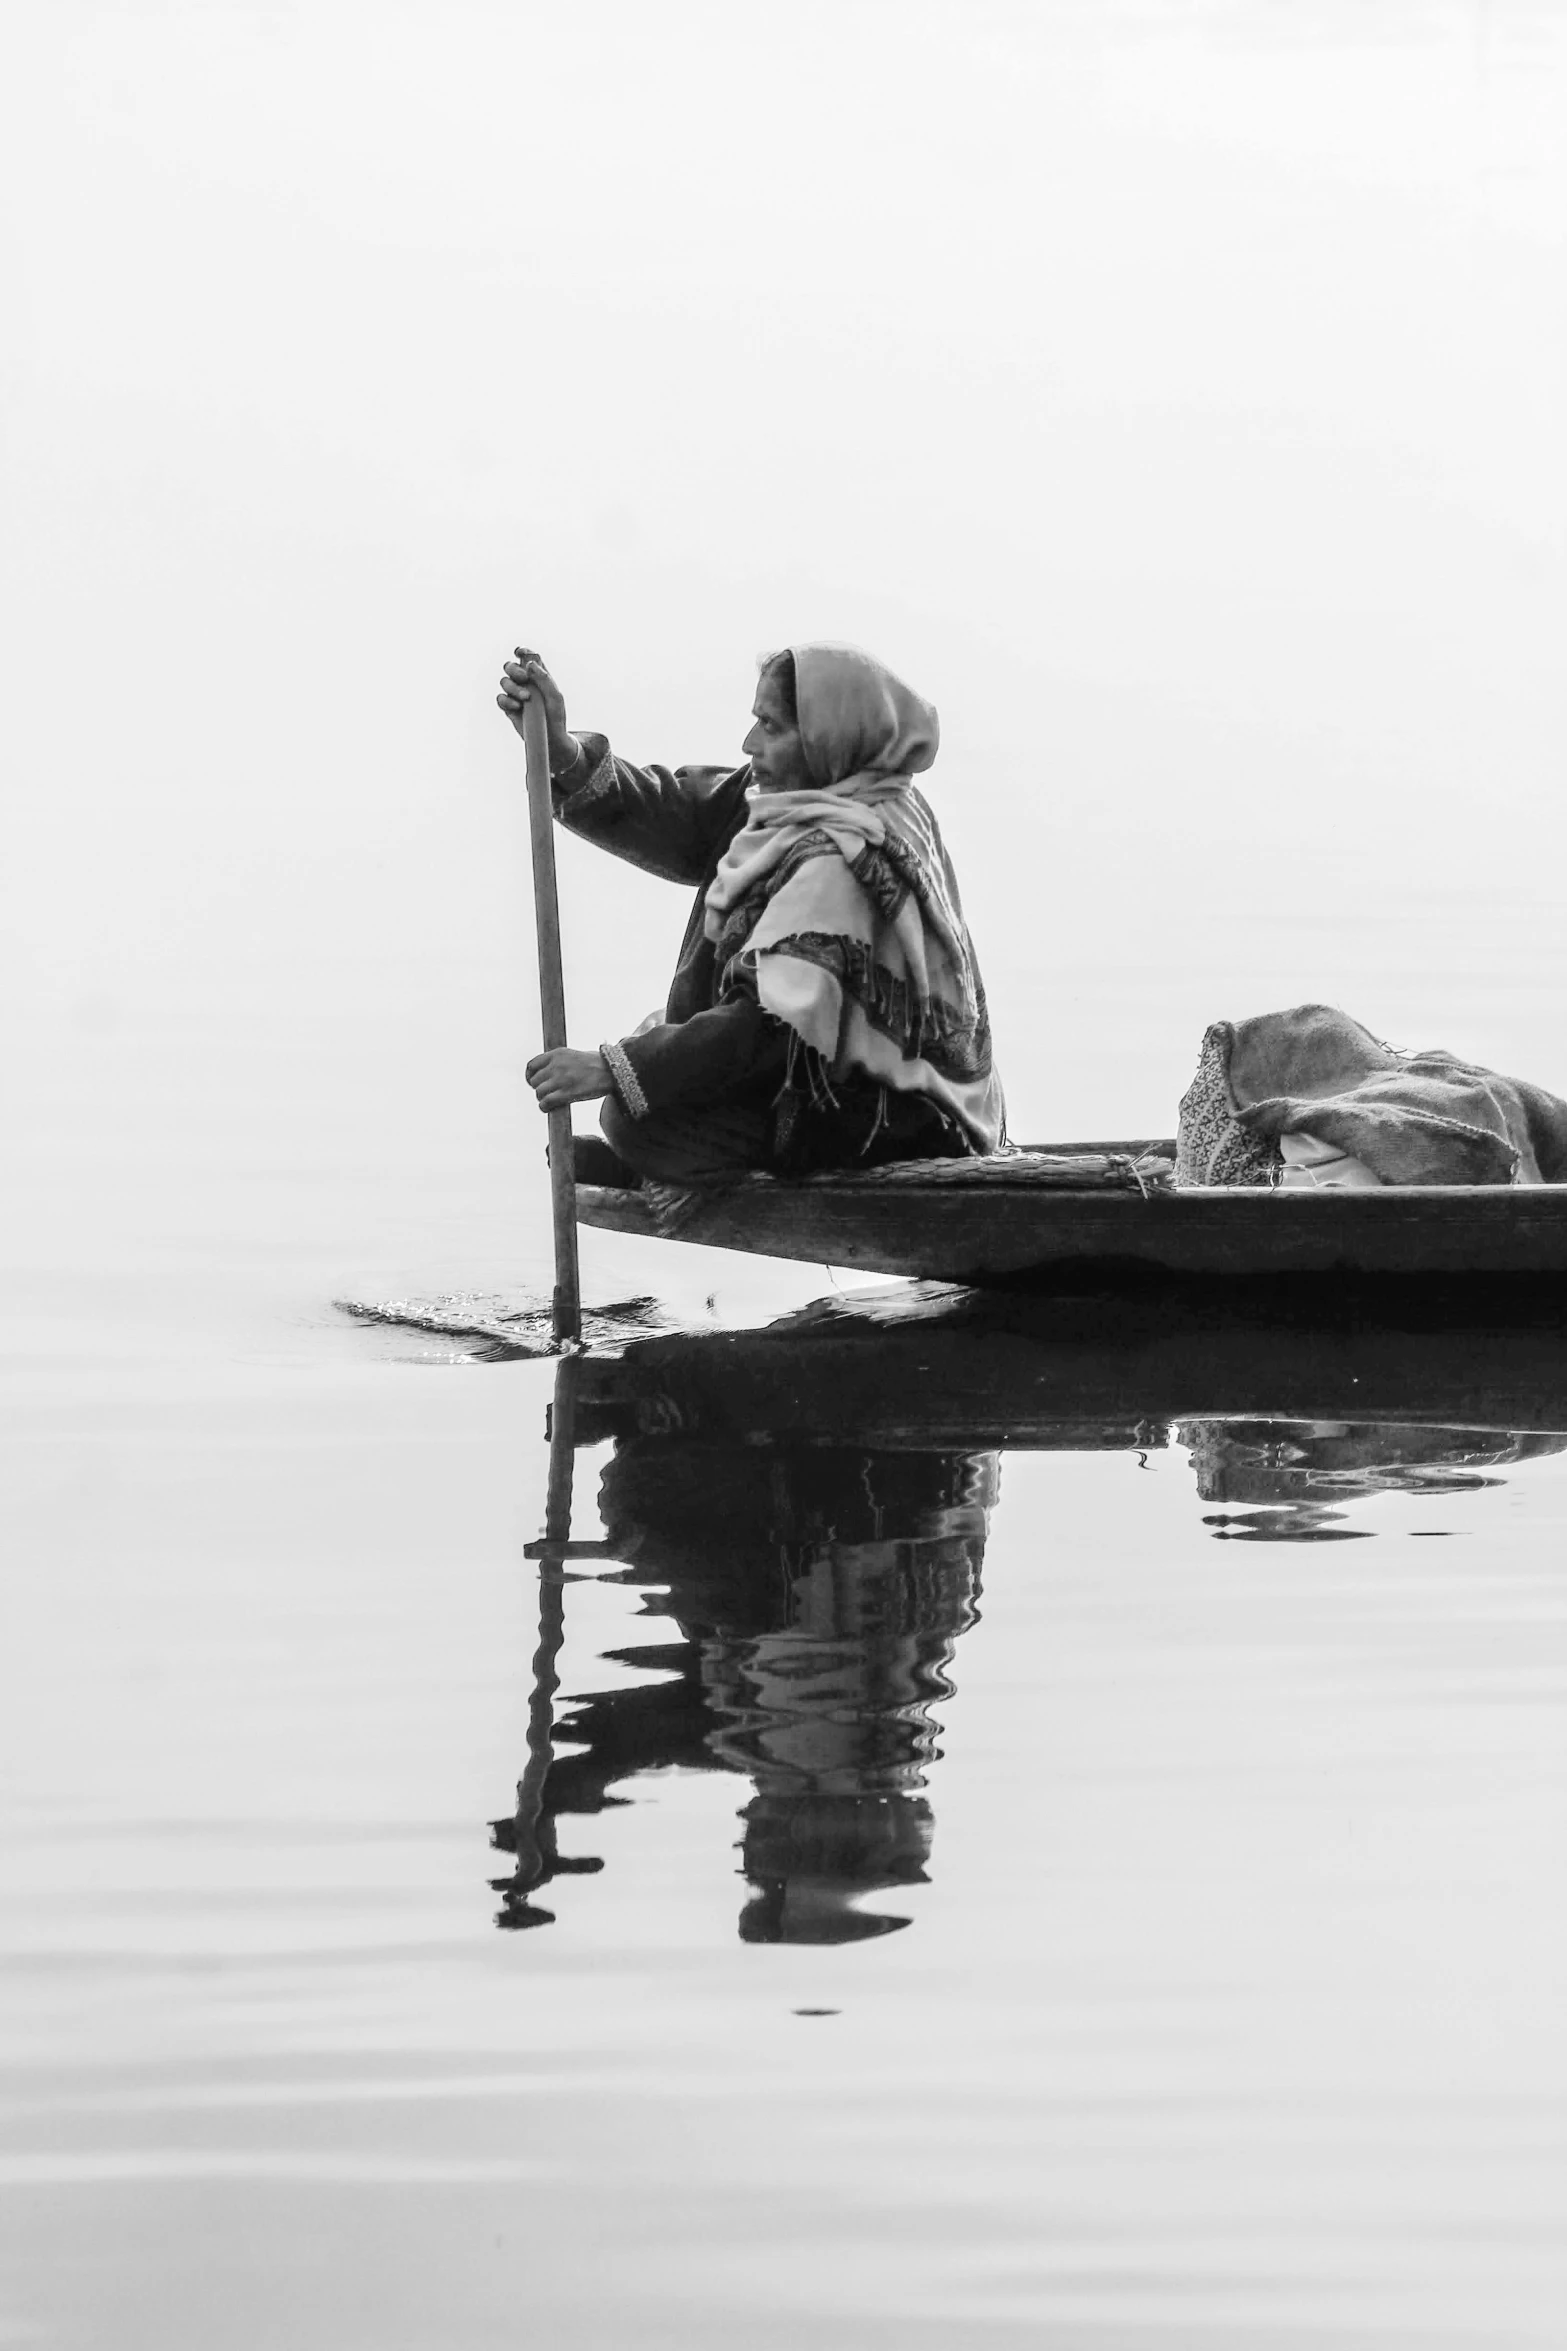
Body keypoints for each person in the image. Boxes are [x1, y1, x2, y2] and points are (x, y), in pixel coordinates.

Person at [496, 641, 1004, 1184]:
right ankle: (669, 1155)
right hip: (838, 1075)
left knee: (632, 1116)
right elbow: (688, 818)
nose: (749, 744)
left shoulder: (845, 852)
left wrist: (612, 1067)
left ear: (825, 737)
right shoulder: (814, 790)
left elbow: (769, 1027)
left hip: (887, 1111)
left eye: (772, 727)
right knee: (657, 1053)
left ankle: (665, 1164)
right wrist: (564, 752)